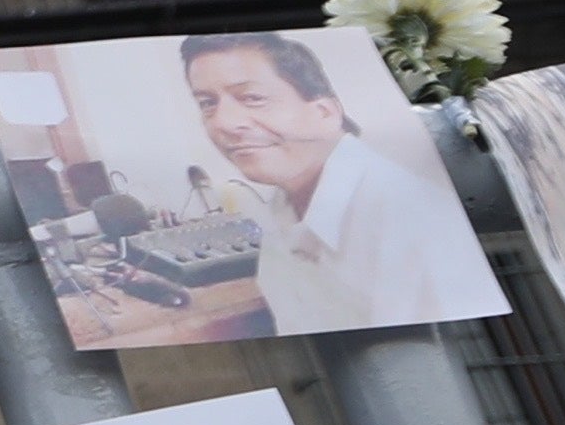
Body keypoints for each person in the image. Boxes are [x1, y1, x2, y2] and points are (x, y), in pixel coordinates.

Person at [180, 31, 474, 334]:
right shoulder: (281, 215)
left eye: (252, 98)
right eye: (207, 103)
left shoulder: (404, 214)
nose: (224, 123)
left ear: (324, 112)